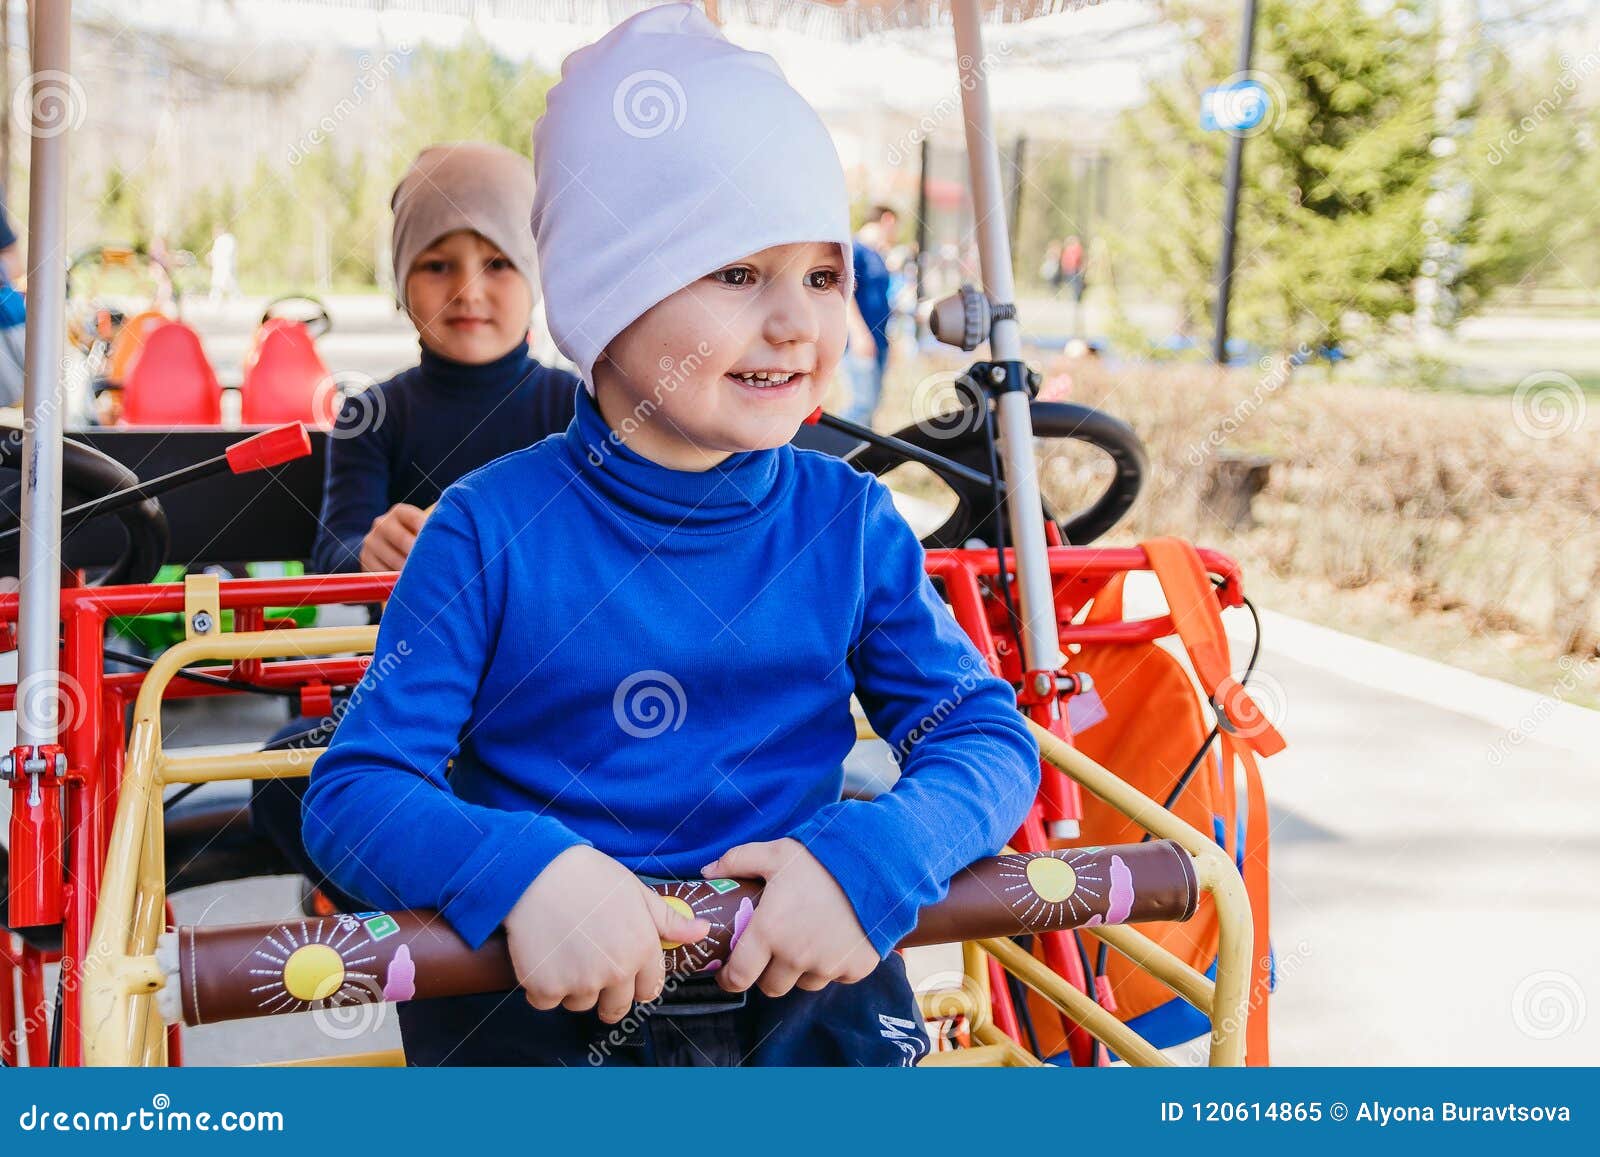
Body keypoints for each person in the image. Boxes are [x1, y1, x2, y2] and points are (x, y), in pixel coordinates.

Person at [301, 3, 1039, 1069]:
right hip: (548, 993)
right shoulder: (487, 529)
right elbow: (356, 792)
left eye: (822, 275)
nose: (796, 322)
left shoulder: (850, 522)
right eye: (736, 271)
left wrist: (876, 855)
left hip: (803, 981)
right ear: (606, 292)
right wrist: (519, 871)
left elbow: (984, 734)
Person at [249, 142, 582, 909]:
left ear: (537, 279)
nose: (468, 289)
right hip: (406, 696)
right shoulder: (373, 411)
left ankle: (438, 893)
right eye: (437, 264)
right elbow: (331, 553)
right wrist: (368, 547)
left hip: (554, 688)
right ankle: (452, 898)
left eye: (498, 263)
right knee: (278, 774)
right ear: (402, 284)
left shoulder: (570, 406)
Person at [840, 204, 897, 427]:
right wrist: (859, 335)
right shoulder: (856, 250)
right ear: (888, 219)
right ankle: (836, 451)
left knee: (871, 407)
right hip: (860, 342)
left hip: (879, 340)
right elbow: (844, 294)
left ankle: (861, 462)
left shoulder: (877, 253)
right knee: (861, 407)